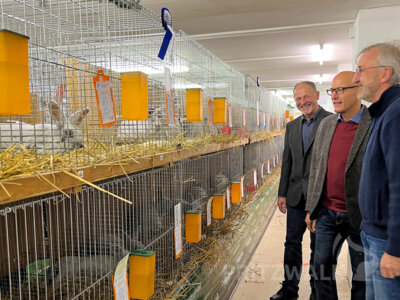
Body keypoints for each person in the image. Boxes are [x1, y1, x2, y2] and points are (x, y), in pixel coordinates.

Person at [305, 71, 369, 300]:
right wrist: (311, 207)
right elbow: (317, 169)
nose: (334, 95)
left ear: (359, 91)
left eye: (341, 90)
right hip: (326, 213)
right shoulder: (327, 124)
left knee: (362, 275)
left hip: (360, 217)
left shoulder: (372, 124)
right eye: (332, 91)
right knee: (321, 270)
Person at [272, 81, 331, 300]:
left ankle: (317, 291)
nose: (302, 102)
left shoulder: (332, 121)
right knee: (292, 245)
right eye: (298, 98)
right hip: (296, 196)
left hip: (321, 199)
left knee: (320, 249)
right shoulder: (292, 126)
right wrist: (282, 193)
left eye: (306, 97)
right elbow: (287, 162)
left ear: (316, 95)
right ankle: (289, 289)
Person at [353, 42, 400, 300]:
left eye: (361, 70)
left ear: (385, 73)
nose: (355, 78)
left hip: (386, 242)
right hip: (373, 233)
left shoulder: (396, 113)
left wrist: (395, 248)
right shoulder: (380, 113)